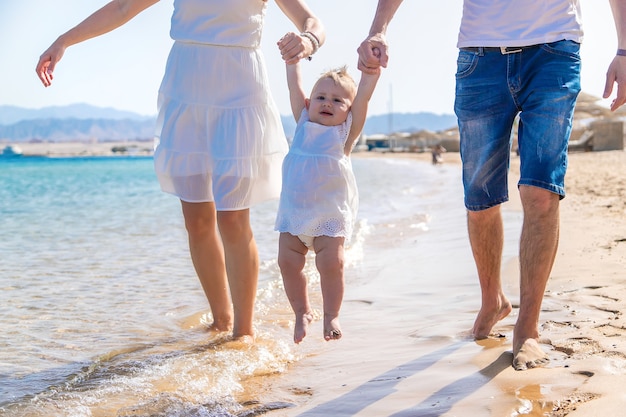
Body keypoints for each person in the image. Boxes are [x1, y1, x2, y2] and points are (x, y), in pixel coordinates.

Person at [357, 0, 626, 370]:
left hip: (554, 51)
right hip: (480, 58)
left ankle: (527, 330)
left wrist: (623, 48)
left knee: (541, 193)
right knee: (479, 201)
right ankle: (492, 300)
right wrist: (379, 28)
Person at [36, 0, 325, 341]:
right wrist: (63, 41)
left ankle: (243, 335)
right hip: (185, 89)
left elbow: (311, 20)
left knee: (233, 219)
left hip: (240, 91)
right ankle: (221, 321)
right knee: (197, 219)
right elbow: (123, 7)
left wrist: (308, 40)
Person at [274, 44, 380, 343]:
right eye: (320, 97)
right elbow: (294, 87)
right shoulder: (302, 123)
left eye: (337, 100)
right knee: (287, 263)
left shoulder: (343, 135)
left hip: (329, 218)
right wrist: (292, 61)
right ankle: (301, 311)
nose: (327, 103)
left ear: (348, 110)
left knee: (331, 264)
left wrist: (369, 73)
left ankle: (331, 315)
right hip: (294, 216)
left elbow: (364, 100)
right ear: (309, 103)